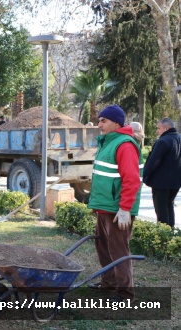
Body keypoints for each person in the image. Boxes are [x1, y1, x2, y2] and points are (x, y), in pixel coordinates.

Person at [87, 105, 142, 303]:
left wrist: (125, 208)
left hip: (118, 209)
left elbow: (132, 180)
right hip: (105, 207)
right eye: (100, 120)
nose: (99, 124)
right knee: (103, 246)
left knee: (118, 250)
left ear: (116, 123)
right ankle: (108, 283)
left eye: (104, 121)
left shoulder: (124, 145)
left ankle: (125, 294)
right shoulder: (108, 142)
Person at [143, 118, 181, 228]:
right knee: (169, 205)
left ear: (166, 128)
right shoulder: (178, 138)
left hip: (161, 182)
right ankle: (171, 233)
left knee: (161, 209)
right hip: (176, 182)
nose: (157, 131)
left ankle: (163, 235)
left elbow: (153, 161)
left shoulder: (163, 141)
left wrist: (143, 176)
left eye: (159, 128)